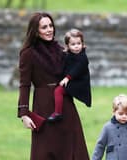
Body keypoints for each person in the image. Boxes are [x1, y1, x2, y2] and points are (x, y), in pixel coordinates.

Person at [18, 12, 90, 160]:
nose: (49, 29)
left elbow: (79, 66)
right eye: (44, 27)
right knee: (45, 150)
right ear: (36, 31)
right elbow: (24, 84)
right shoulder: (28, 54)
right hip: (43, 106)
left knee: (72, 149)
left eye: (51, 25)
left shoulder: (61, 49)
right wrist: (24, 113)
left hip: (65, 105)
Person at [48, 28, 91, 122]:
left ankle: (57, 113)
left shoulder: (83, 58)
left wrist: (67, 78)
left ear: (82, 44)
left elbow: (77, 69)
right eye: (73, 44)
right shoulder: (68, 55)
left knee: (58, 91)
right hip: (72, 81)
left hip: (79, 83)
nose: (76, 46)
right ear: (67, 45)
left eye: (79, 44)